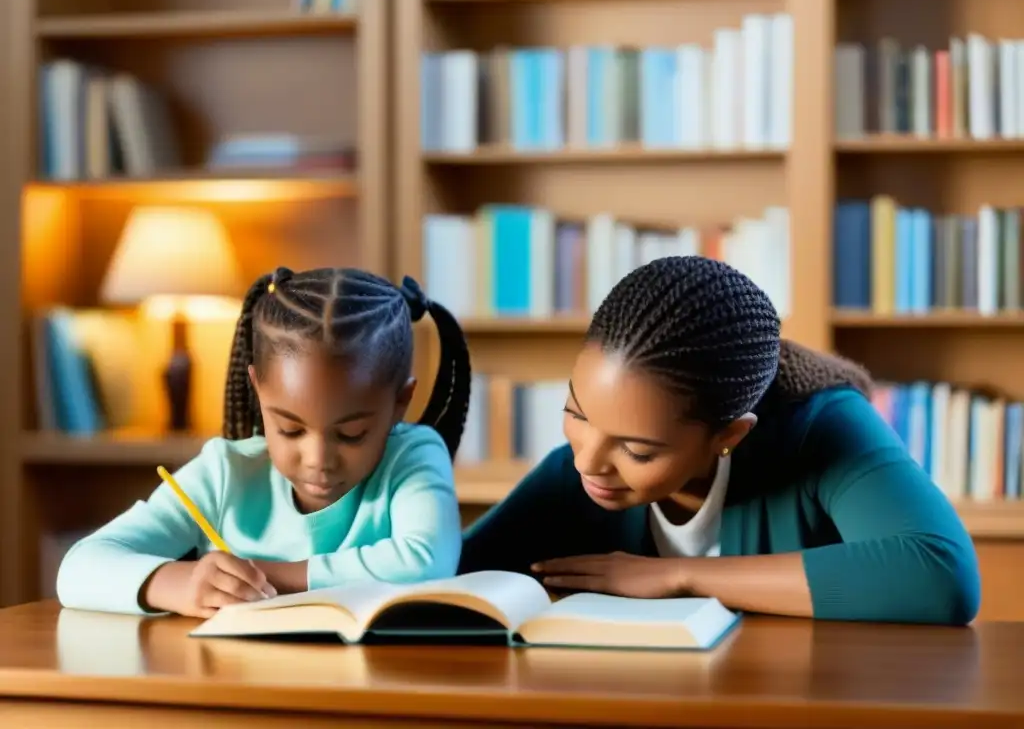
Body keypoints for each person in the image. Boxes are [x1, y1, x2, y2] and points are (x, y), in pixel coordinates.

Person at [459, 256, 981, 626]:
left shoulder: (823, 425)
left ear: (729, 434)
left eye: (638, 451)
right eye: (576, 413)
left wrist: (679, 575)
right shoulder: (578, 471)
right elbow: (443, 579)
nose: (587, 461)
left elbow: (941, 576)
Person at [57, 267, 471, 618]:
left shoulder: (413, 456)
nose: (318, 460)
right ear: (259, 391)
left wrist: (261, 574)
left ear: (401, 402)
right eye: (290, 430)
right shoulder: (226, 473)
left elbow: (426, 563)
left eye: (351, 434)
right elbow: (78, 568)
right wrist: (181, 583)